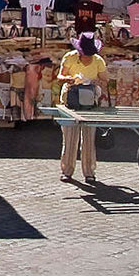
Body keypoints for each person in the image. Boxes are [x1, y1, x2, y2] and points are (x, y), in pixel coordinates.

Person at [55, 32, 108, 183]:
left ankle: (89, 172)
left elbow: (105, 79)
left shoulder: (98, 61)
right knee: (70, 138)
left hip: (89, 102)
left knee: (89, 138)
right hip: (71, 100)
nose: (88, 57)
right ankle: (67, 170)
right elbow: (60, 76)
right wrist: (70, 79)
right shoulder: (69, 57)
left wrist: (94, 81)